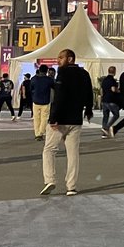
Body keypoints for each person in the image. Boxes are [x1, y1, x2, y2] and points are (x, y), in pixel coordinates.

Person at [41, 48, 94, 196]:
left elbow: (59, 96)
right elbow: (89, 93)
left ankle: (50, 179)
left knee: (49, 149)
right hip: (76, 119)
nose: (58, 61)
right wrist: (88, 110)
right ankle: (71, 186)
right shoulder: (84, 74)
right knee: (73, 153)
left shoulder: (63, 73)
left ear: (70, 59)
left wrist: (53, 117)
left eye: (60, 58)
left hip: (61, 119)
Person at [29, 64, 55, 141]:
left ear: (39, 70)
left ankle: (37, 133)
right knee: (44, 118)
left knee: (36, 118)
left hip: (35, 101)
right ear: (47, 71)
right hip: (46, 101)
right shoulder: (49, 80)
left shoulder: (33, 79)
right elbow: (55, 87)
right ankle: (40, 133)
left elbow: (31, 89)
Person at [99, 66, 121, 136]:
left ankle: (104, 133)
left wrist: (102, 97)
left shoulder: (104, 80)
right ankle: (106, 128)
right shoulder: (112, 80)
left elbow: (101, 90)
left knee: (105, 116)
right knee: (116, 115)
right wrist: (119, 91)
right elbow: (113, 89)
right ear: (114, 71)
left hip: (104, 100)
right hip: (111, 100)